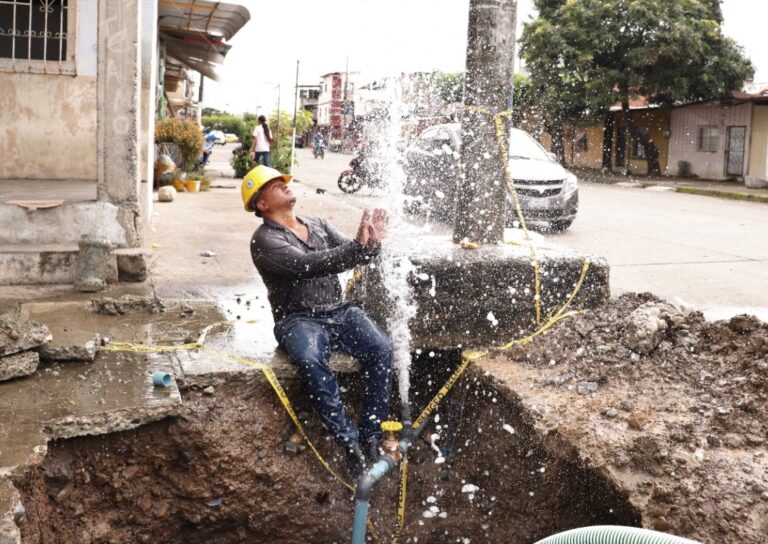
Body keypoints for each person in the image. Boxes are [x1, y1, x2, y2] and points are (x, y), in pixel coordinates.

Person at [241, 164, 393, 477]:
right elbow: (307, 264)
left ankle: (371, 434)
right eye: (275, 184)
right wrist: (357, 247)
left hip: (338, 310)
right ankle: (348, 442)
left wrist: (371, 243)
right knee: (311, 360)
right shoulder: (264, 241)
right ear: (262, 204)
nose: (285, 184)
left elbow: (356, 256)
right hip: (298, 320)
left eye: (284, 180)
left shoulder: (317, 224)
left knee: (382, 349)